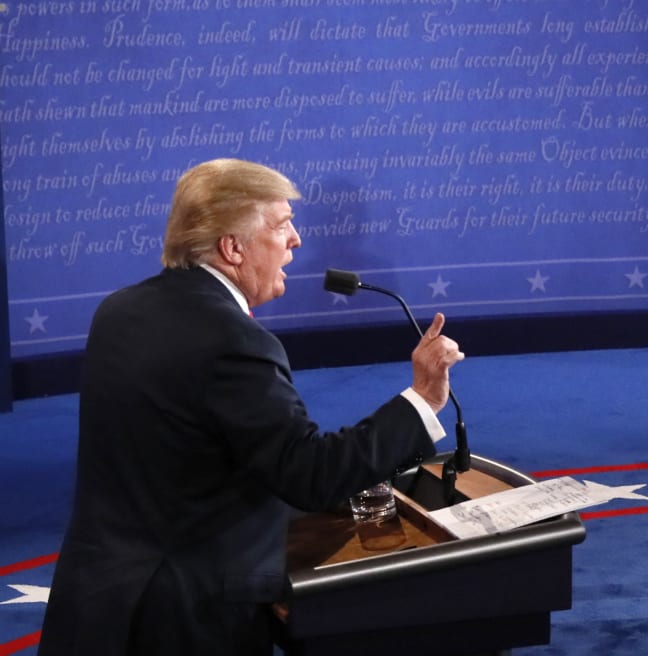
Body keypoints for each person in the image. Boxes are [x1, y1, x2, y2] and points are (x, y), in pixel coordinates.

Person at [38, 158, 465, 655]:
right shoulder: (232, 340)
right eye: (282, 225)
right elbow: (307, 475)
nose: (296, 241)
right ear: (232, 247)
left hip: (98, 602)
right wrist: (422, 399)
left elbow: (188, 454)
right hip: (184, 620)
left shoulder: (119, 310)